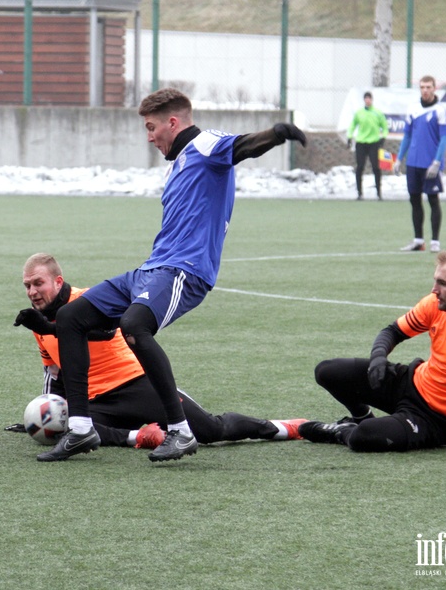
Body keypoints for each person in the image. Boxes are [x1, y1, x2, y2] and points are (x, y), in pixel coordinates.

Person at [39, 87, 307, 463]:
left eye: (151, 128)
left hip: (185, 270)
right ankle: (82, 429)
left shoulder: (206, 144)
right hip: (150, 269)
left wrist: (276, 134)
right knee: (69, 316)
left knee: (135, 325)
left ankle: (181, 432)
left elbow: (243, 146)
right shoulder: (178, 163)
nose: (149, 136)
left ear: (173, 122)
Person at [12, 253, 306, 449]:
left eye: (38, 283)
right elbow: (53, 373)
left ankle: (284, 428)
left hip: (137, 385)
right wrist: (41, 413)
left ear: (57, 282)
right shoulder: (38, 324)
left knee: (210, 431)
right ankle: (140, 437)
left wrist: (55, 327)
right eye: (27, 285)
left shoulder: (84, 302)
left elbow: (108, 332)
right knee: (67, 426)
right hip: (97, 400)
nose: (32, 291)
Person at [298, 247, 446, 458]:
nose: (434, 290)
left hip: (437, 420)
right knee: (328, 371)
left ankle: (344, 432)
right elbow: (392, 332)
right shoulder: (435, 303)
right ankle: (361, 416)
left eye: (443, 283)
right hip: (410, 382)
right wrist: (379, 357)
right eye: (435, 281)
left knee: (364, 437)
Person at [392, 75, 446, 253]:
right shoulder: (413, 109)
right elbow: (408, 136)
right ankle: (418, 240)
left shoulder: (440, 111)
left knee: (433, 200)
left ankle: (435, 241)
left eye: (428, 87)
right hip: (413, 163)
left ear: (434, 89)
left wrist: (437, 161)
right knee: (414, 200)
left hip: (429, 163)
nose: (425, 90)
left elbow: (444, 138)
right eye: (422, 87)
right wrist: (399, 159)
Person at [347, 91, 388, 200]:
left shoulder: (377, 113)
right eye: (366, 98)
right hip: (361, 143)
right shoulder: (359, 113)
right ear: (364, 100)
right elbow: (352, 125)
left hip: (373, 143)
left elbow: (384, 126)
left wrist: (383, 137)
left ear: (372, 100)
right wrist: (349, 136)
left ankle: (379, 193)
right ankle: (360, 193)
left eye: (369, 98)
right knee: (360, 167)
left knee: (376, 167)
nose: (368, 100)